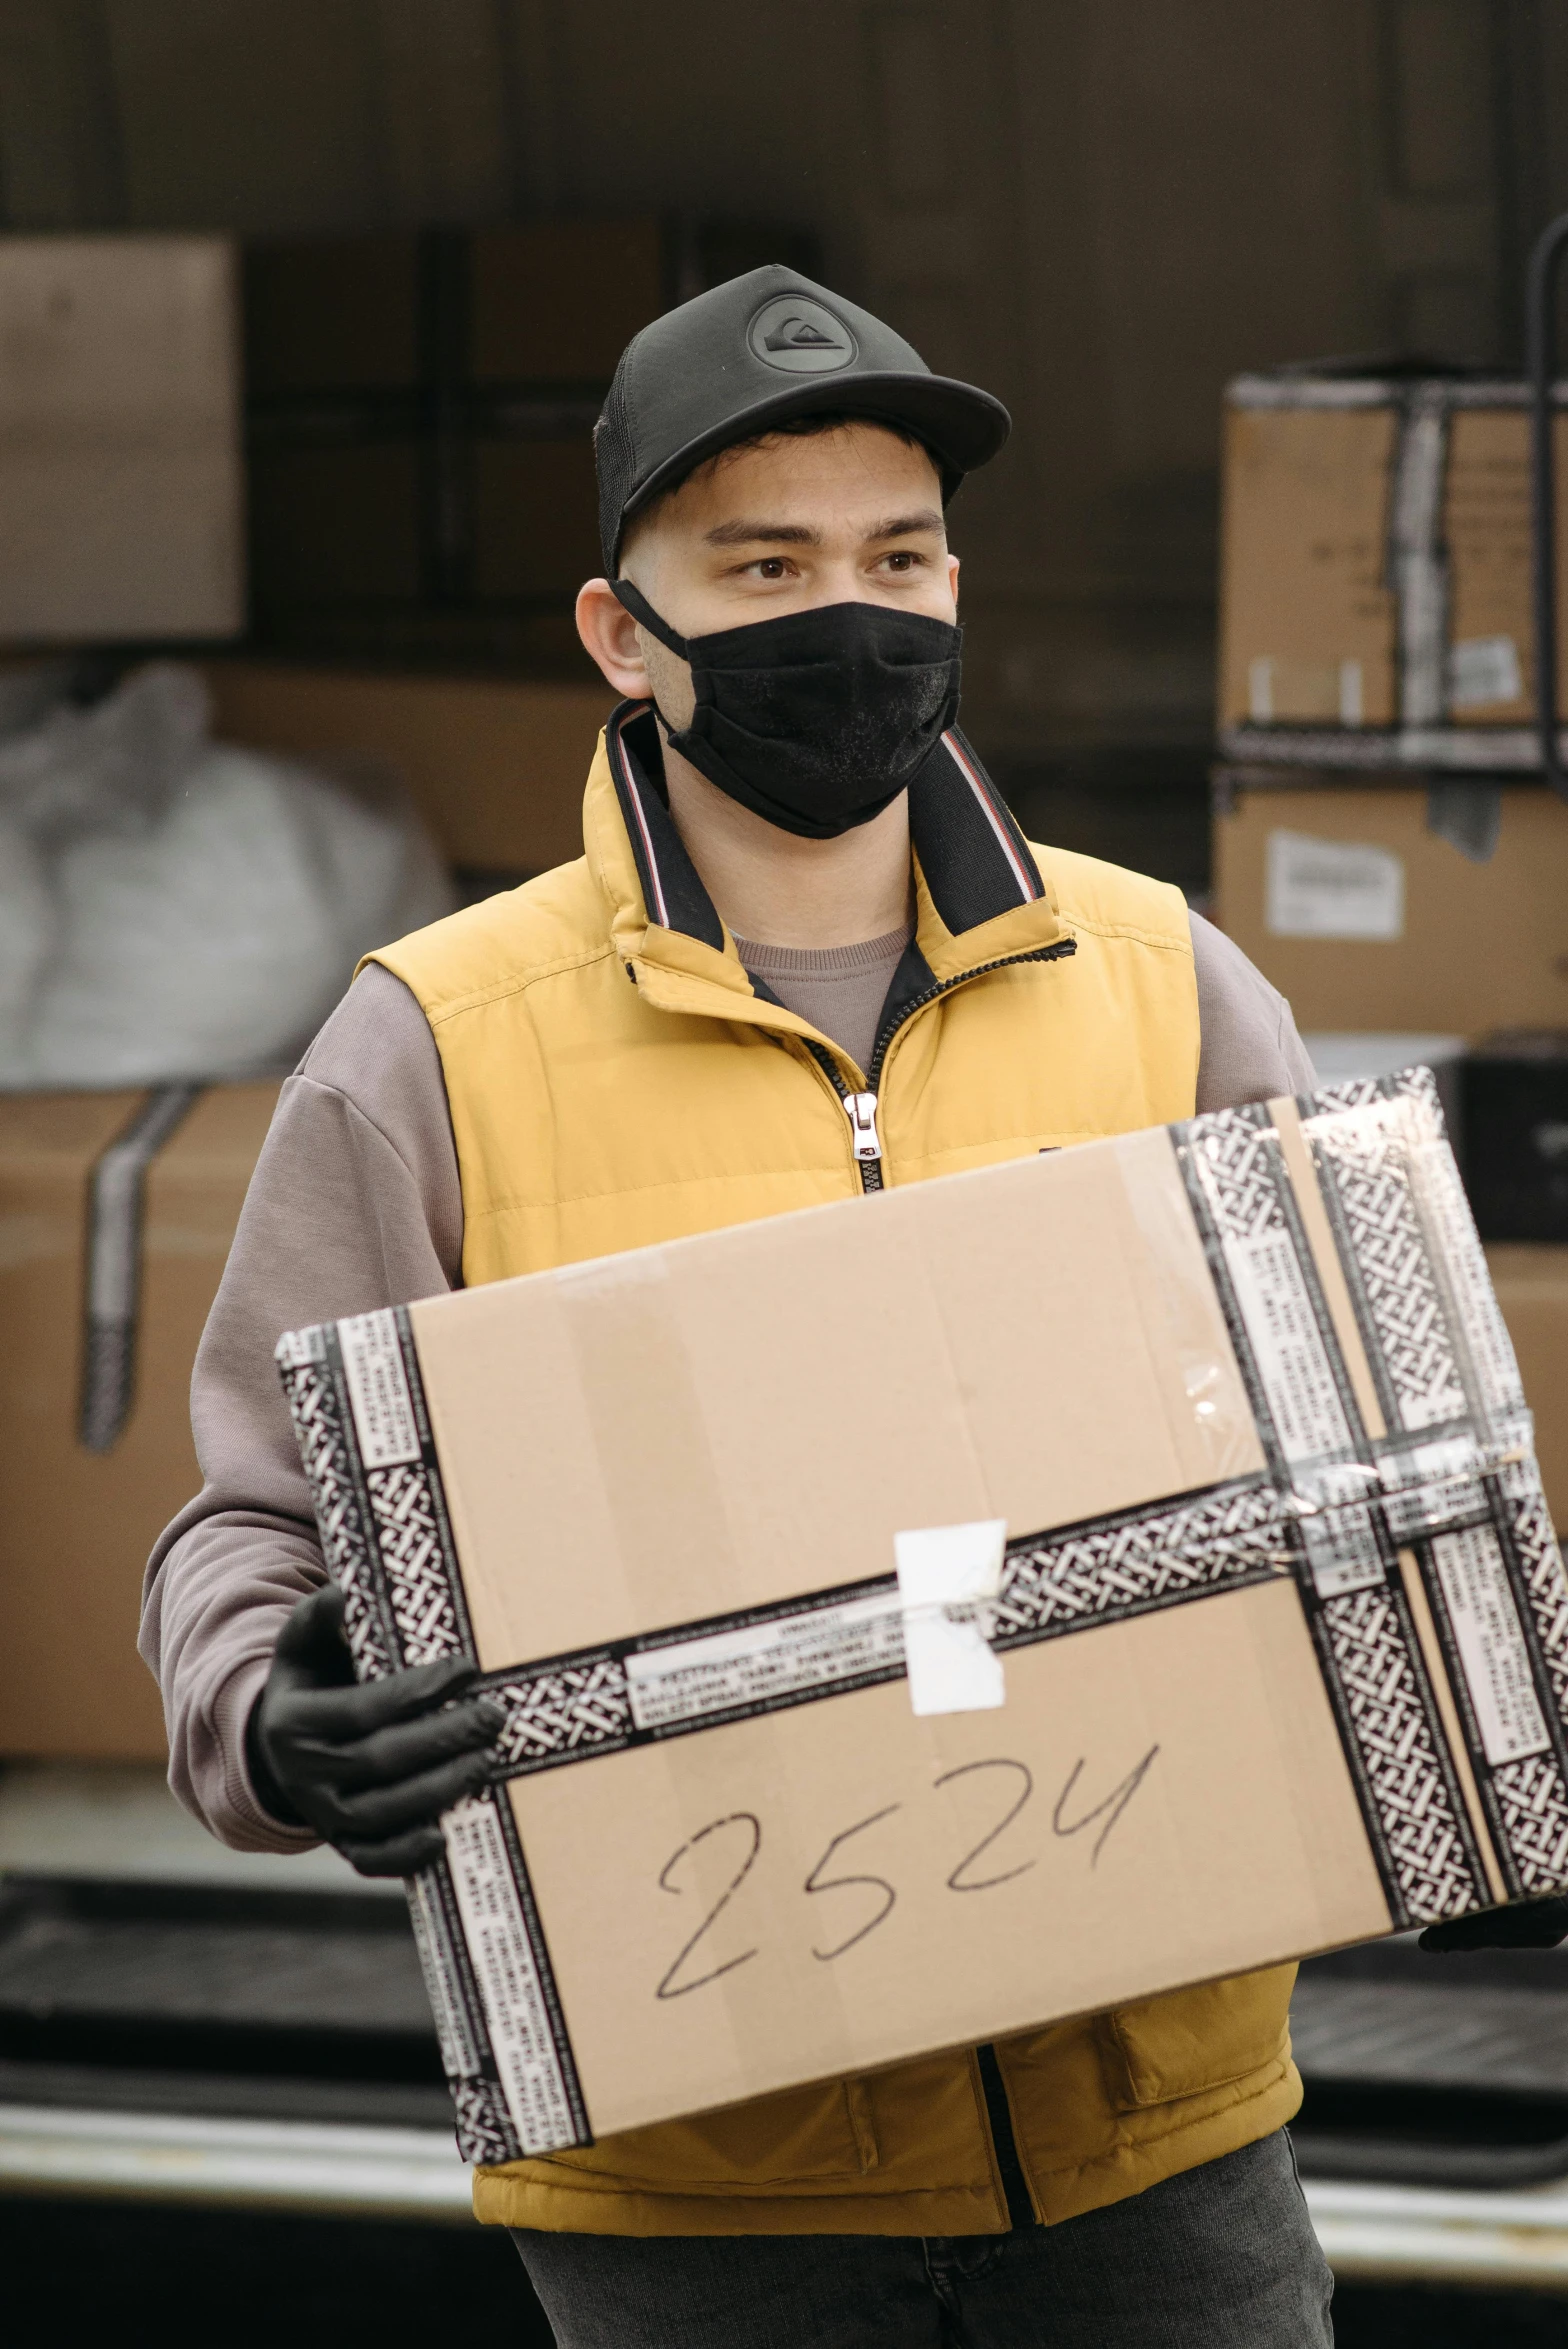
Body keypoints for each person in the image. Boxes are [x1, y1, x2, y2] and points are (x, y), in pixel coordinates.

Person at [143, 263, 1537, 2348]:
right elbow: (251, 1527)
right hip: (704, 2200)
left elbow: (1369, 1452)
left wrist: (1498, 1728)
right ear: (626, 632)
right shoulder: (430, 1046)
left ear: (959, 591)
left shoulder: (1169, 986)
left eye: (896, 558)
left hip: (1160, 2166)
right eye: (764, 563)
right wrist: (266, 1714)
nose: (845, 618)